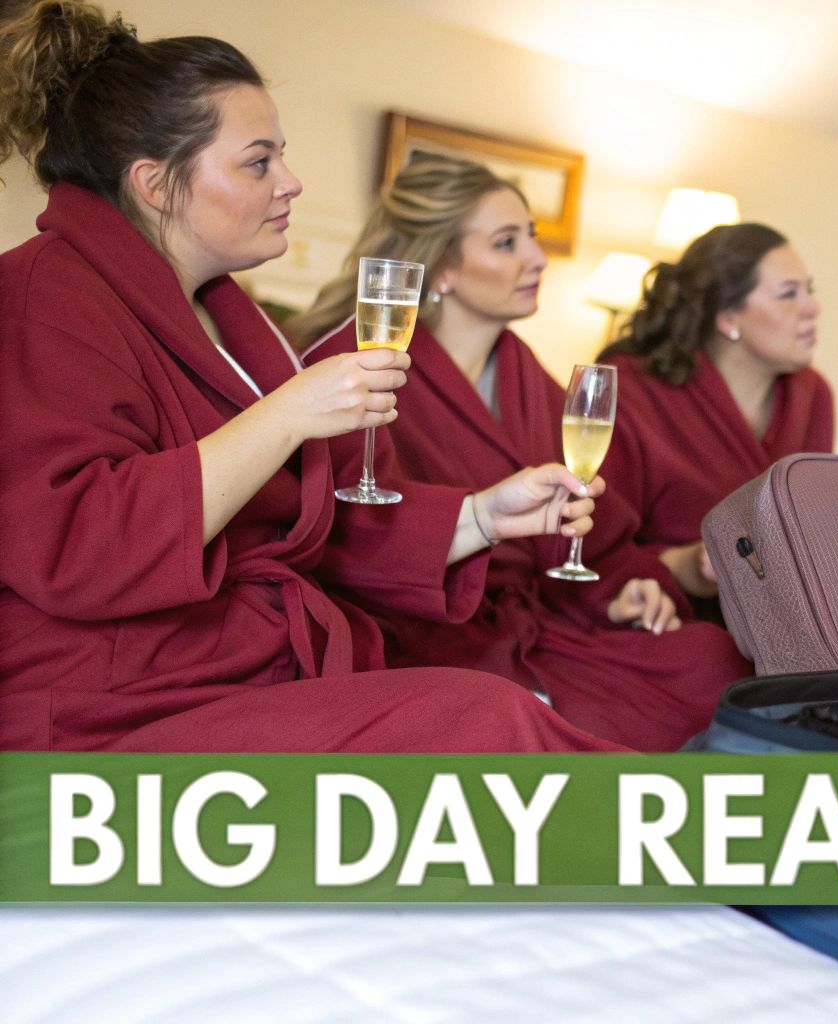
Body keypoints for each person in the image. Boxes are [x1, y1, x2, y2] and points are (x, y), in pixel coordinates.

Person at [0, 1, 623, 753]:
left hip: (238, 672)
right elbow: (76, 541)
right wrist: (285, 416)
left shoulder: (227, 316)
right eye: (259, 162)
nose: (291, 182)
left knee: (506, 716)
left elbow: (311, 527)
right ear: (156, 183)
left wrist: (487, 516)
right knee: (488, 719)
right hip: (113, 701)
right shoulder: (45, 297)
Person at [292, 155, 752, 750]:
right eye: (506, 243)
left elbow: (595, 537)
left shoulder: (529, 377)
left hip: (543, 623)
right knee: (581, 721)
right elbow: (341, 535)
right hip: (429, 625)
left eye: (532, 237)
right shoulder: (350, 366)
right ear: (443, 265)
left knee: (713, 659)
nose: (537, 258)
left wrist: (619, 593)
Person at [597, 222, 834, 609]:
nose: (812, 307)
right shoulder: (634, 391)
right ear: (728, 318)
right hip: (657, 609)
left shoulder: (813, 396)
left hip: (777, 615)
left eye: (809, 290)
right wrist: (689, 565)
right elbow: (596, 551)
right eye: (788, 294)